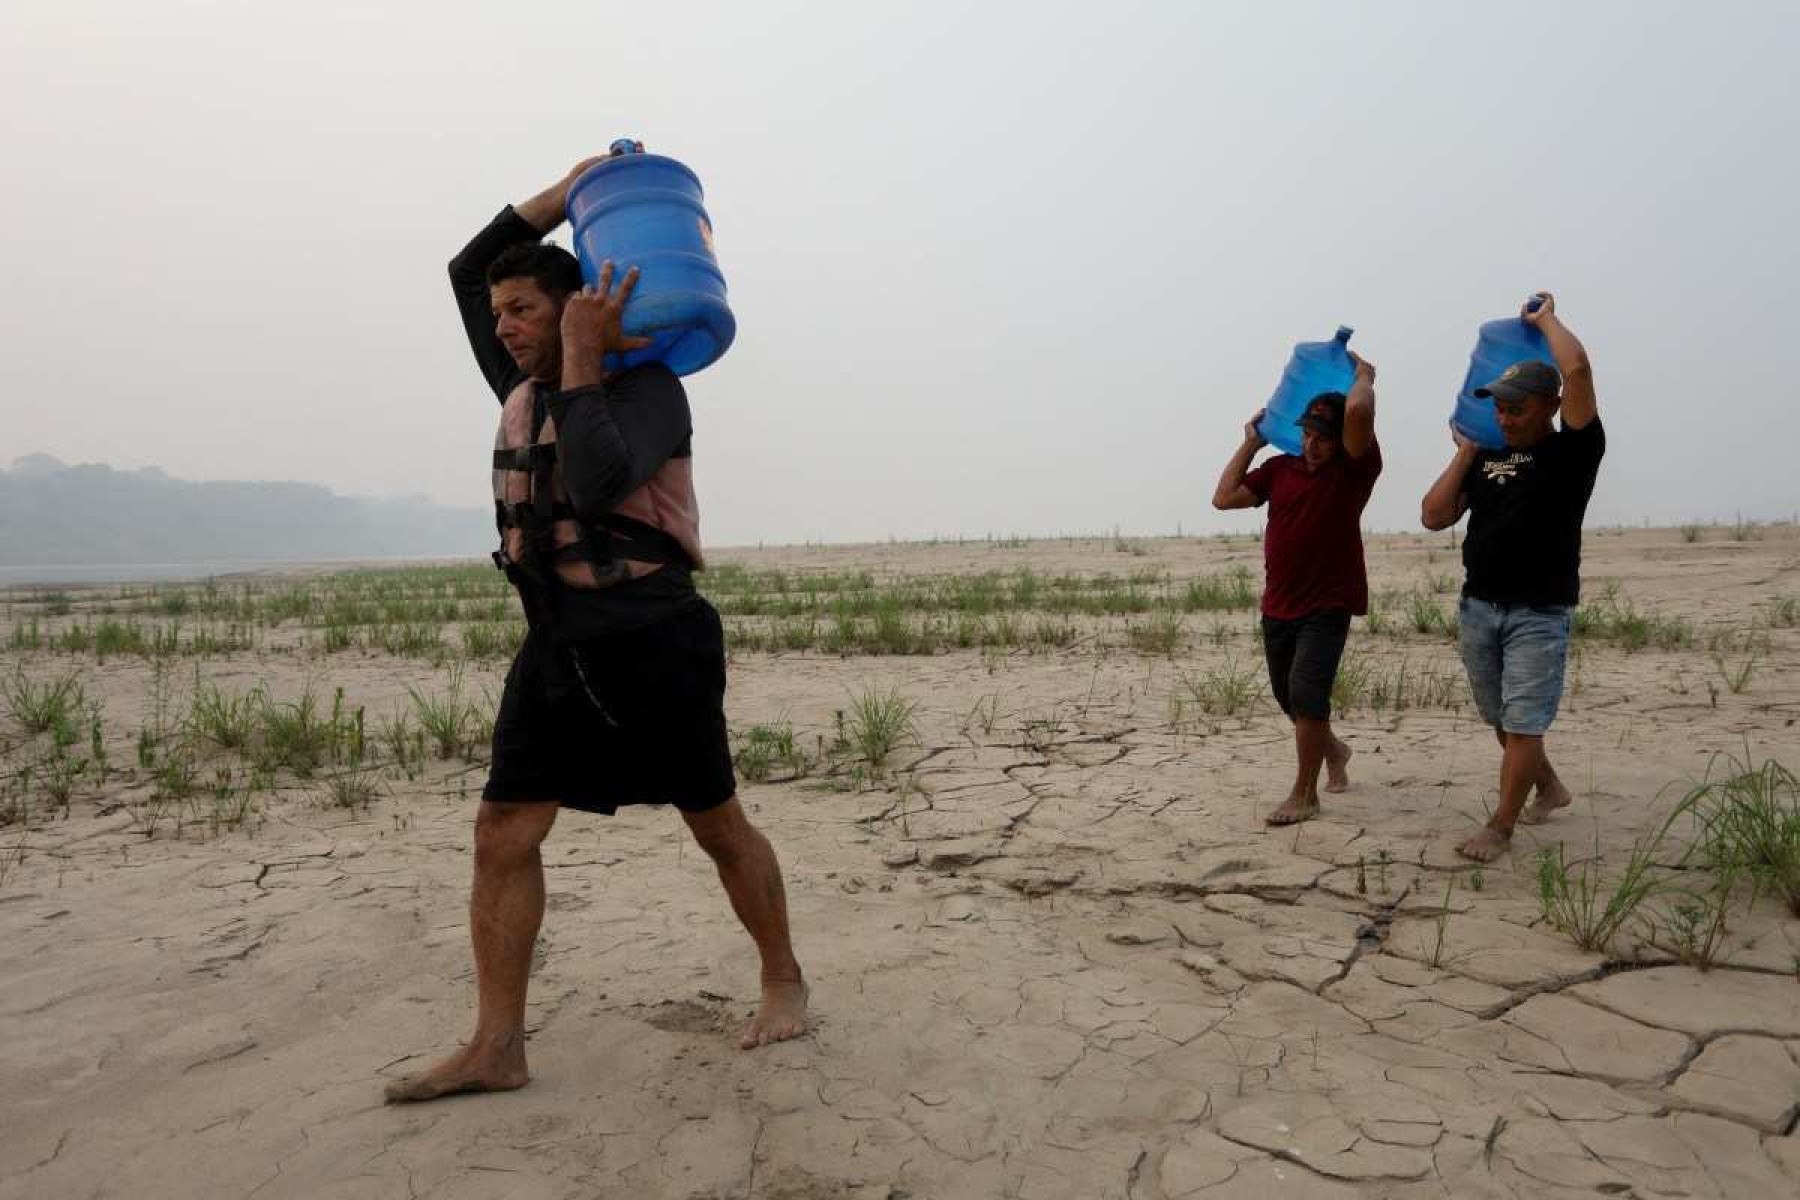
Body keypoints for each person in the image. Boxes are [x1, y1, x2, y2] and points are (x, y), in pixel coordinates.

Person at [384, 155, 806, 1103]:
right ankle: (498, 1044)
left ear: (575, 311)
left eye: (523, 312)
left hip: (656, 638)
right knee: (502, 830)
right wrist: (571, 190)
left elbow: (603, 477)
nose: (502, 329)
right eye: (501, 318)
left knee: (716, 823)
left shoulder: (652, 388)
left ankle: (783, 976)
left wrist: (584, 351)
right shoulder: (524, 370)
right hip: (559, 639)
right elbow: (471, 267)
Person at [1421, 293, 1602, 862]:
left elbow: (1576, 369)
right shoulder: (1485, 457)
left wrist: (1544, 320)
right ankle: (1548, 786)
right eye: (1498, 406)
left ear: (1548, 405)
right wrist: (1465, 454)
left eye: (1515, 407)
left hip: (1539, 611)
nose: (1504, 416)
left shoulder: (1573, 452)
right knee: (1500, 717)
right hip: (1479, 607)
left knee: (1523, 723)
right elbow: (1433, 516)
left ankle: (1500, 827)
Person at [1213, 354, 1381, 825]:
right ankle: (1335, 751)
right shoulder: (1280, 468)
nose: (1313, 444)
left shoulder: (1353, 470)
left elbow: (1359, 415)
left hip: (1328, 601)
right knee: (1289, 698)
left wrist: (1365, 378)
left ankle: (1305, 794)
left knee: (1308, 693)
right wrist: (1251, 443)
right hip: (1279, 603)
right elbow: (1224, 498)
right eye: (1308, 433)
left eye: (1324, 438)